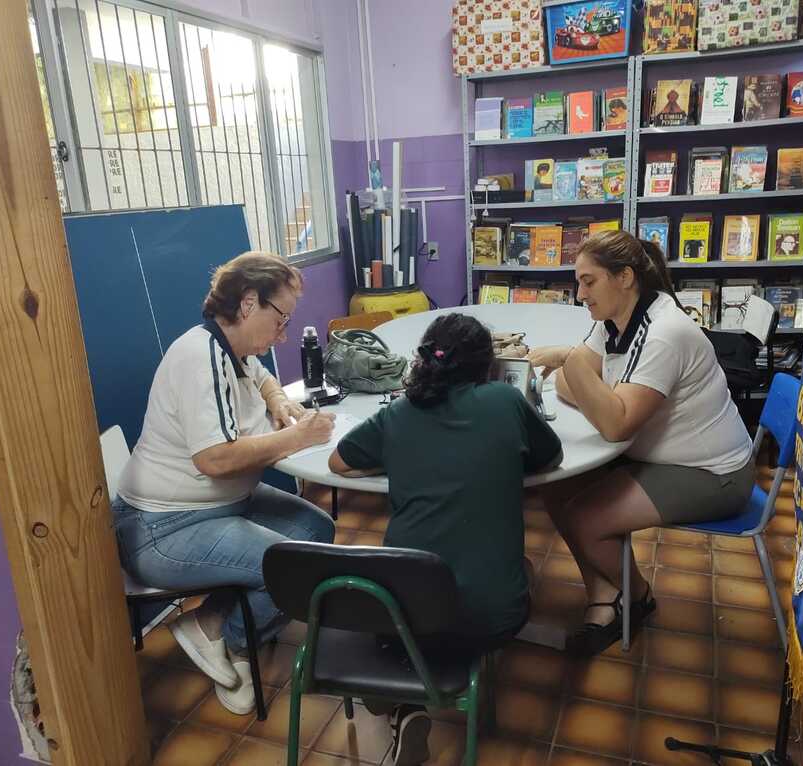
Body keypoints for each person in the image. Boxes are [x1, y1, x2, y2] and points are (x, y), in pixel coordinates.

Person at [327, 313, 562, 766]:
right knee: (523, 570)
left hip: (402, 614)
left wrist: (397, 457)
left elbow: (339, 463)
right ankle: (424, 690)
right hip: (494, 618)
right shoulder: (504, 401)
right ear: (487, 366)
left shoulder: (398, 412)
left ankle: (402, 704)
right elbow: (551, 457)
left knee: (412, 599)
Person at [112, 251, 336, 714]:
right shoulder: (200, 355)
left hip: (224, 505)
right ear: (249, 303)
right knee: (291, 567)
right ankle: (232, 640)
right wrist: (298, 436)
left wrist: (277, 400)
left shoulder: (232, 349)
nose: (284, 333)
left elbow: (261, 376)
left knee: (318, 532)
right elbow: (215, 459)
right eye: (281, 319)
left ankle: (212, 621)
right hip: (163, 528)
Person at [528, 230, 754, 657]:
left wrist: (572, 363)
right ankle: (603, 596)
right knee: (555, 484)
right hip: (656, 455)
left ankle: (638, 596)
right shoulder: (615, 319)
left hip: (712, 473)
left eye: (588, 281)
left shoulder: (665, 333)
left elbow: (616, 425)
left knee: (588, 519)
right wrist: (583, 376)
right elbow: (568, 386)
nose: (580, 295)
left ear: (625, 277)